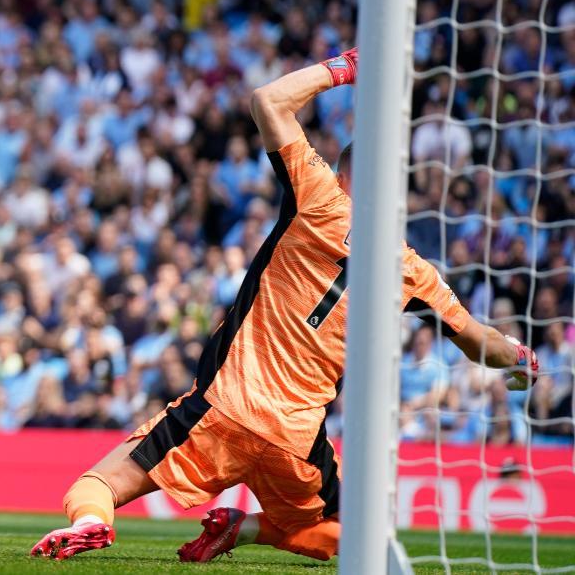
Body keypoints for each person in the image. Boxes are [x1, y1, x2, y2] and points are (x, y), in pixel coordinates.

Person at [30, 48, 539, 562]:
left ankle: (94, 522)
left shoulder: (319, 199)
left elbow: (268, 102)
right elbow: (480, 344)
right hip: (295, 440)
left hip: (221, 409)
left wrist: (345, 67)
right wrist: (520, 358)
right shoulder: (415, 274)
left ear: (342, 173)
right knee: (352, 537)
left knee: (98, 483)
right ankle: (246, 529)